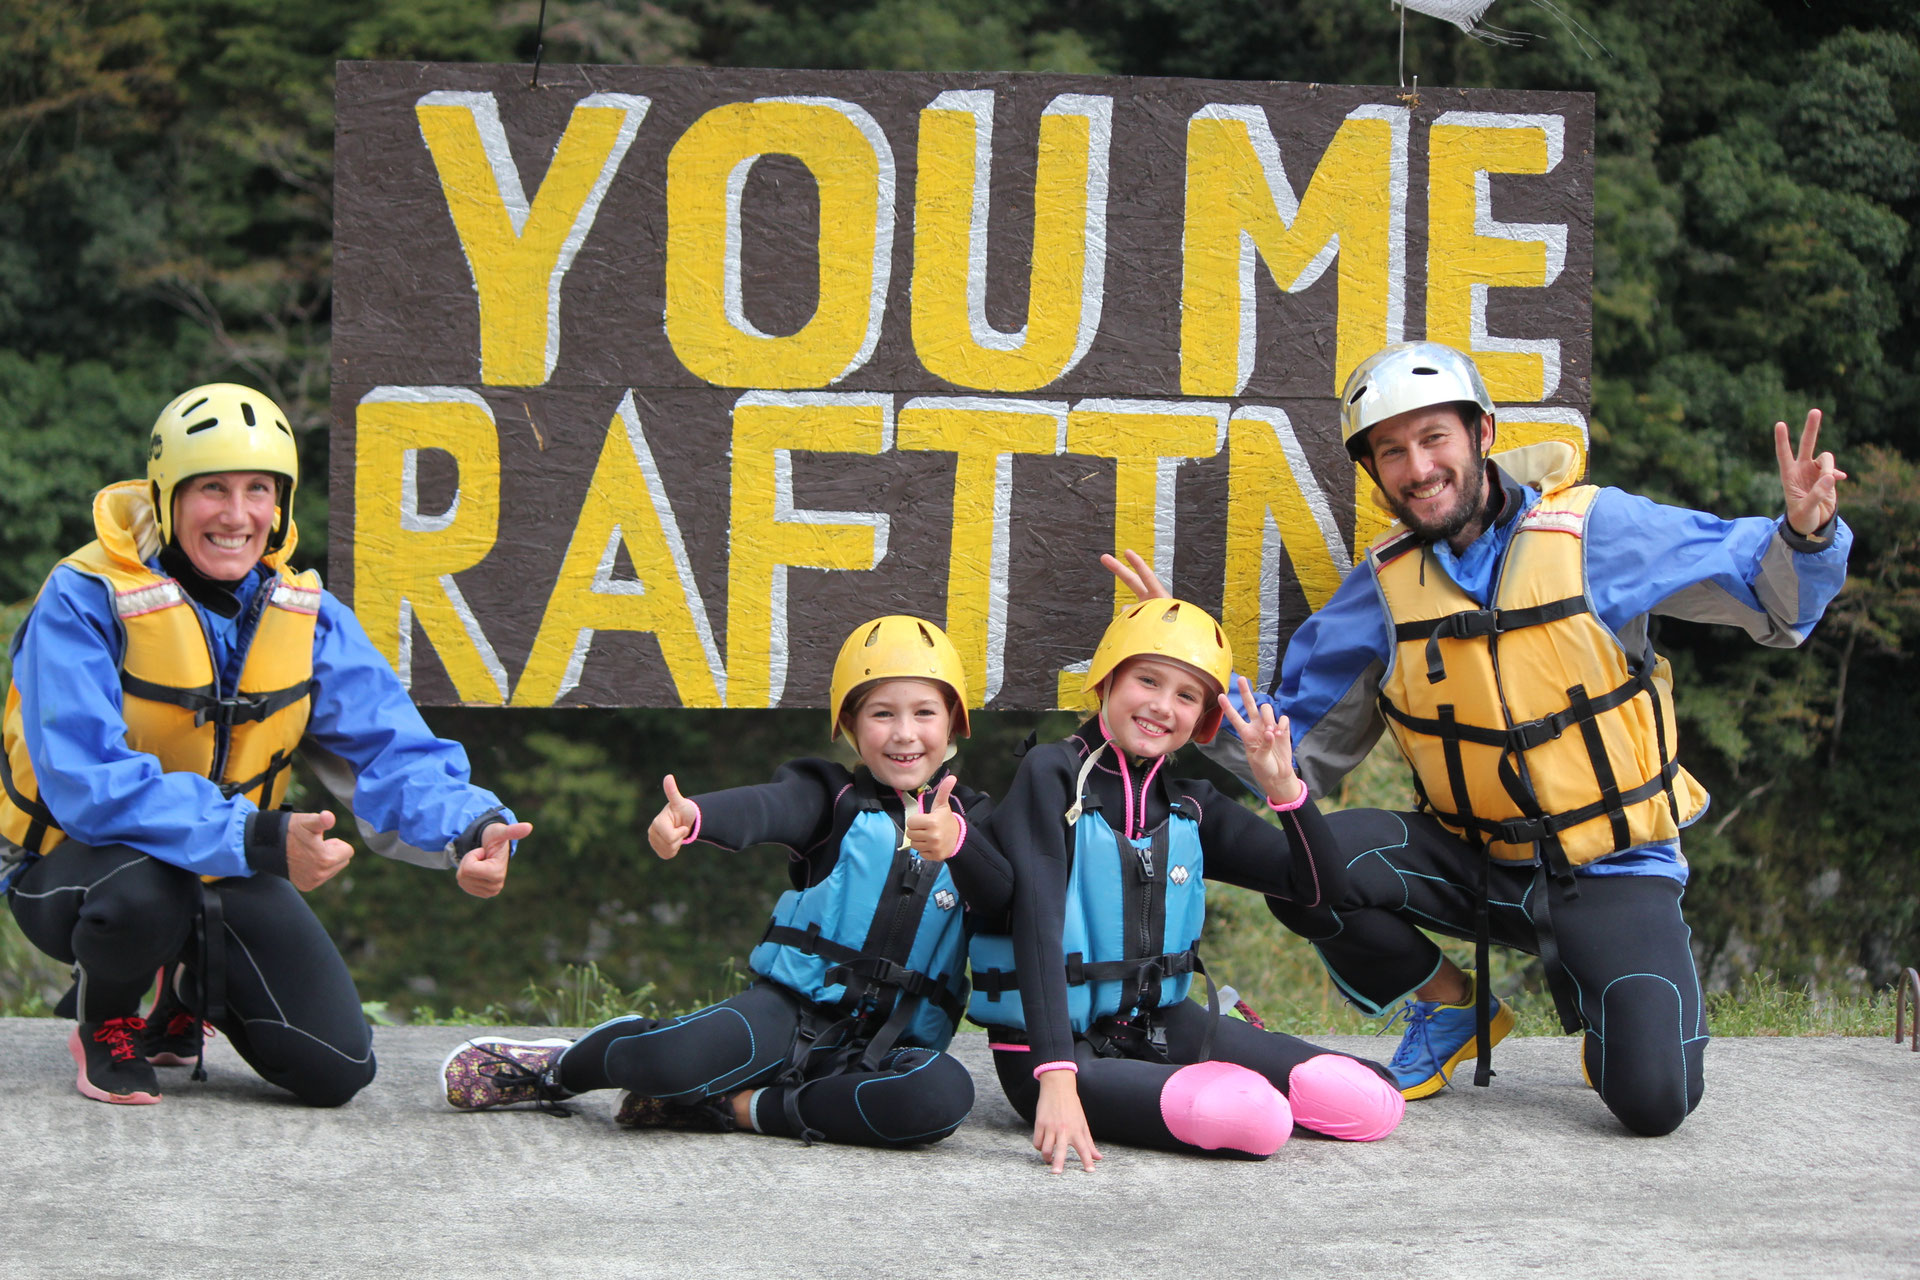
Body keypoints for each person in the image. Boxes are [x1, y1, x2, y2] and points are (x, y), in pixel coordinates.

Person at [1118, 340, 1850, 1137]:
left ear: (1483, 434)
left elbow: (1768, 600)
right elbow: (1295, 747)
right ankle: (1451, 1006)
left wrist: (1806, 538)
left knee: (1654, 1102)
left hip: (1612, 867)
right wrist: (1181, 666)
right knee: (1306, 867)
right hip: (1472, 862)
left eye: (1435, 439)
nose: (1417, 467)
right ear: (1374, 472)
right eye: (1391, 452)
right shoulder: (1381, 592)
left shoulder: (1597, 533)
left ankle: (1606, 999)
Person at [1, 383, 530, 1107]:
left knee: (334, 1069)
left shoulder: (306, 616)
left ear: (280, 503)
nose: (237, 514)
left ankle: (188, 994)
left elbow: (392, 750)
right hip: (77, 867)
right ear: (165, 497)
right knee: (146, 889)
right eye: (211, 489)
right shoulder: (81, 599)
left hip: (225, 862)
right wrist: (261, 837)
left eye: (259, 490)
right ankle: (105, 1020)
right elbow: (86, 783)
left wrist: (473, 826)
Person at [442, 615, 1008, 1149]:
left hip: (896, 1046)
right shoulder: (831, 798)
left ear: (954, 722)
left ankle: (734, 1108)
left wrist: (957, 843)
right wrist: (694, 818)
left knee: (941, 1098)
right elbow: (766, 807)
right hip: (791, 1015)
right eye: (882, 714)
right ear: (852, 726)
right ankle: (560, 1069)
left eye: (925, 713)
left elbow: (1003, 895)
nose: (904, 733)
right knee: (665, 1066)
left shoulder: (981, 827)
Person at [973, 597, 1404, 1174]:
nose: (1160, 706)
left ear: (1203, 718)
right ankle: (1193, 1089)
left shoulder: (1190, 804)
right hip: (1053, 1055)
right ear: (1106, 680)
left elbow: (1318, 891)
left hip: (1161, 1025)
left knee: (1370, 1101)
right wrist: (1054, 1080)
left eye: (1186, 695)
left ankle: (1196, 1080)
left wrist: (1285, 790)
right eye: (1146, 680)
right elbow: (1037, 924)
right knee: (1260, 1120)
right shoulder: (1050, 775)